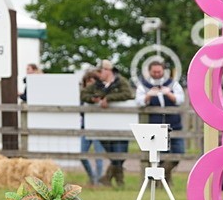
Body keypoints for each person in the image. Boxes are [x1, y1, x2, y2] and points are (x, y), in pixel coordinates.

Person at [136, 60, 186, 182]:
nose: (157, 74)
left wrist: (168, 94)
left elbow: (180, 99)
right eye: (154, 72)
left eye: (159, 71)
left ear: (163, 71)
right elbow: (139, 102)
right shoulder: (144, 85)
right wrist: (149, 95)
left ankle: (160, 178)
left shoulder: (172, 84)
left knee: (178, 153)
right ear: (149, 72)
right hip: (155, 126)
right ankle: (164, 182)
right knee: (159, 155)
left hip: (174, 124)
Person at [91, 60, 135, 188]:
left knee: (120, 154)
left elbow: (128, 94)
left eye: (101, 71)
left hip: (121, 124)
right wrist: (94, 99)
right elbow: (85, 94)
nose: (99, 74)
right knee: (114, 156)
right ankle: (116, 182)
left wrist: (109, 98)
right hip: (102, 125)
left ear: (108, 70)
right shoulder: (97, 84)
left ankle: (110, 179)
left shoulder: (121, 82)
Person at [79, 69, 108, 187]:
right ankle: (92, 177)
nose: (90, 84)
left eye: (92, 81)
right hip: (85, 128)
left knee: (99, 157)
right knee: (82, 154)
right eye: (88, 82)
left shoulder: (103, 94)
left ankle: (97, 182)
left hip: (98, 128)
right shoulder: (83, 97)